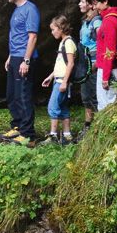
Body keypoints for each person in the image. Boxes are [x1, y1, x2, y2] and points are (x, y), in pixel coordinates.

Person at [0, 0, 39, 147]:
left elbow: (33, 37)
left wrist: (26, 61)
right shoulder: (16, 9)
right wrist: (10, 57)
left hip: (25, 58)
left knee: (24, 96)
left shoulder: (30, 9)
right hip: (15, 57)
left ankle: (28, 134)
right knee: (13, 94)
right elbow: (15, 36)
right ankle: (17, 126)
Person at [40, 15, 76, 147]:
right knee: (63, 108)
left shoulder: (69, 43)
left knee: (53, 107)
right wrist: (50, 77)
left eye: (53, 29)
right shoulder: (63, 42)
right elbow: (61, 64)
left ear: (61, 28)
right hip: (59, 79)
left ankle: (53, 136)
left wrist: (65, 81)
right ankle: (67, 137)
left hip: (62, 81)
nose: (52, 32)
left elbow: (71, 63)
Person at [90, 0, 117, 111]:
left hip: (108, 68)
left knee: (106, 106)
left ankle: (106, 130)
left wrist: (105, 76)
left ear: (105, 2)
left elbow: (109, 50)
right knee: (109, 104)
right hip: (110, 68)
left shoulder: (109, 21)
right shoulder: (116, 15)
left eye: (96, 3)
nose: (95, 7)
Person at [76, 0, 102, 141]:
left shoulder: (97, 21)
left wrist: (95, 64)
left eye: (82, 1)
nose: (79, 4)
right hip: (85, 65)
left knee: (93, 95)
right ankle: (87, 125)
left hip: (93, 65)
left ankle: (97, 126)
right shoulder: (86, 21)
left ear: (91, 4)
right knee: (86, 96)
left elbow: (101, 41)